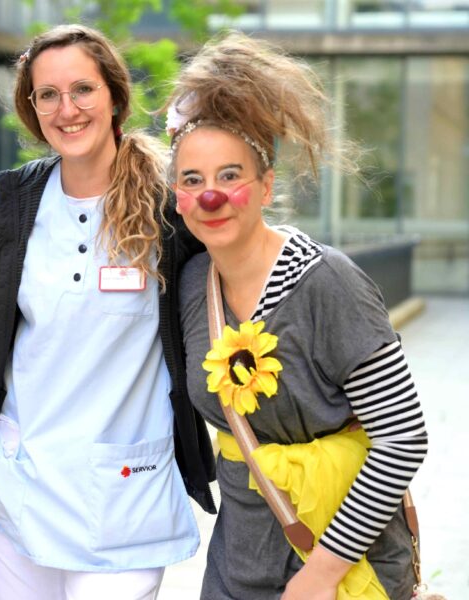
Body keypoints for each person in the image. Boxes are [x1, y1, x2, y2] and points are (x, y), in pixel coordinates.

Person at [0, 24, 216, 600]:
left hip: (124, 500)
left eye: (82, 89)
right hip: (18, 491)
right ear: (32, 108)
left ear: (115, 96)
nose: (67, 109)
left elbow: (239, 263)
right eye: (47, 95)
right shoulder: (12, 203)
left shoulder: (168, 205)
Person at [168, 31, 429, 600]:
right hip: (238, 570)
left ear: (266, 187)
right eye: (192, 180)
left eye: (230, 176)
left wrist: (321, 574)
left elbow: (403, 436)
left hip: (345, 571)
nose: (211, 196)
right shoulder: (191, 283)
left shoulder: (327, 282)